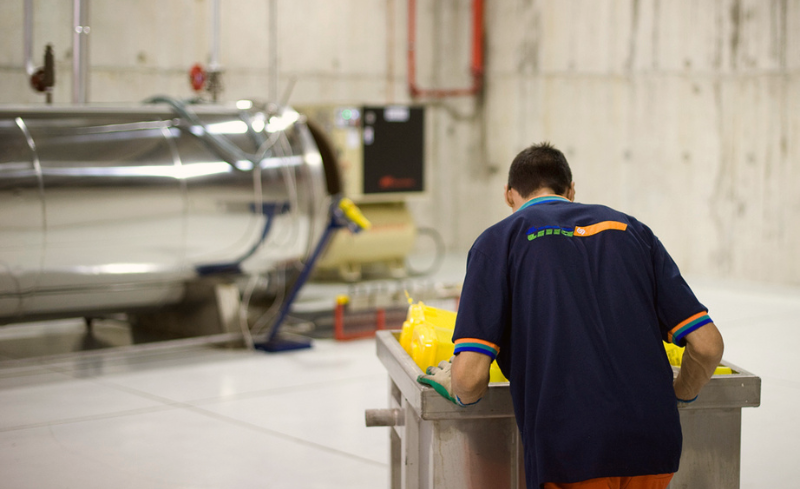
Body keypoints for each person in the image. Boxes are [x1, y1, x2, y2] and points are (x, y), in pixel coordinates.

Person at [417, 142, 724, 489]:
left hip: (572, 450)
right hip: (653, 443)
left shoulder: (497, 242)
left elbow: (471, 378)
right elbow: (708, 346)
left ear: (508, 195)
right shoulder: (633, 231)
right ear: (572, 190)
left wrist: (457, 388)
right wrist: (680, 394)